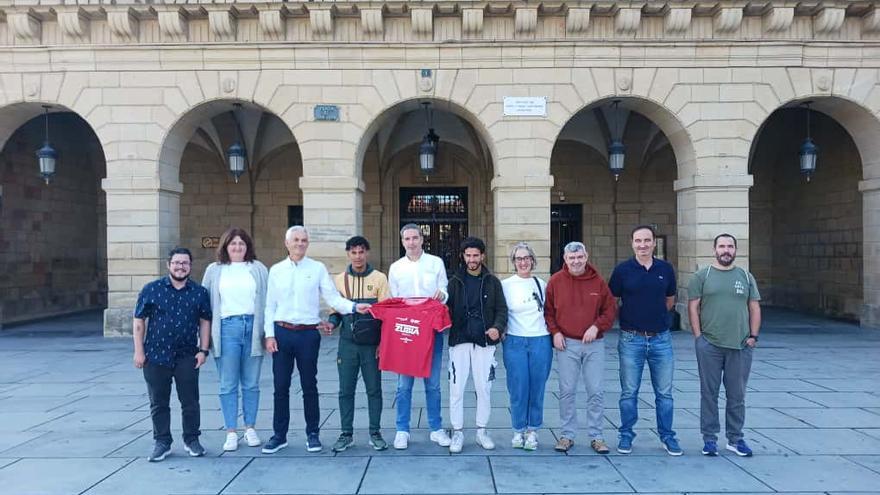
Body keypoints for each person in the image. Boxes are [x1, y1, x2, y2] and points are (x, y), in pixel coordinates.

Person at [261, 226, 370, 454]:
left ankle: (313, 434)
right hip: (282, 332)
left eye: (304, 240)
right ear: (287, 243)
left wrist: (353, 307)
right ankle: (279, 435)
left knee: (309, 385)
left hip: (308, 334)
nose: (300, 244)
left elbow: (332, 297)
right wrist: (269, 334)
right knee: (281, 386)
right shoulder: (276, 270)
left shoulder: (317, 268)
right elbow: (269, 305)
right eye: (296, 240)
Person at [132, 247, 211, 462]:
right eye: (176, 263)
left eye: (185, 263)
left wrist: (203, 350)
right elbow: (139, 321)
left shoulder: (199, 292)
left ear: (190, 266)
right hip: (155, 356)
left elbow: (205, 322)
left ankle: (192, 440)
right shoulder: (151, 289)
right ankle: (162, 442)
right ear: (169, 265)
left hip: (187, 355)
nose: (180, 266)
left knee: (190, 401)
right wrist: (139, 351)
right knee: (158, 402)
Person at [608, 225, 682, 456]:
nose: (643, 245)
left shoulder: (665, 269)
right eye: (638, 241)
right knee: (629, 392)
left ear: (653, 243)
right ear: (632, 243)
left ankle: (668, 436)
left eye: (647, 240)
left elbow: (669, 300)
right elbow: (612, 300)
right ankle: (626, 435)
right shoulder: (622, 270)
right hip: (631, 339)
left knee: (665, 393)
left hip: (661, 339)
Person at [688, 233, 761, 458]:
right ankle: (709, 439)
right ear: (714, 250)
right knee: (708, 394)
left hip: (740, 346)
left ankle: (735, 439)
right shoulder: (703, 276)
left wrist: (753, 337)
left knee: (737, 395)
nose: (726, 250)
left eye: (730, 246)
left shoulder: (746, 277)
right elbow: (693, 307)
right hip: (710, 344)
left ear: (735, 250)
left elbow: (754, 307)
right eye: (722, 246)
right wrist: (699, 337)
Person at [544, 241, 617, 454]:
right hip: (567, 343)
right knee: (567, 391)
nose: (576, 261)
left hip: (594, 344)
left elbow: (610, 311)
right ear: (565, 260)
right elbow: (548, 311)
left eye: (579, 257)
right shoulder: (556, 281)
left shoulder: (599, 282)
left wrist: (596, 327)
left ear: (586, 257)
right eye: (571, 258)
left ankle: (597, 436)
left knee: (595, 390)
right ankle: (567, 435)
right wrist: (555, 332)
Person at [201, 227, 269, 452]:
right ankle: (231, 430)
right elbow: (205, 306)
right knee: (228, 383)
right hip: (226, 328)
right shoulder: (214, 270)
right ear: (225, 246)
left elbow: (268, 302)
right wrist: (203, 340)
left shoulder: (258, 269)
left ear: (247, 246)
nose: (237, 247)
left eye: (241, 243)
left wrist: (268, 333)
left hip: (253, 327)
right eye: (233, 243)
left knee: (251, 383)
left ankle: (250, 427)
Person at [387, 223, 452, 450]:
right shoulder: (396, 267)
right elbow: (393, 297)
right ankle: (402, 430)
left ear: (422, 239)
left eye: (415, 238)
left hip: (431, 329)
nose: (412, 242)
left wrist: (441, 294)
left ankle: (436, 428)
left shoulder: (436, 263)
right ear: (402, 241)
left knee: (433, 383)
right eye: (407, 239)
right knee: (403, 385)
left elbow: (444, 289)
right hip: (407, 331)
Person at [328, 236, 391, 452]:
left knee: (374, 389)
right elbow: (336, 311)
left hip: (371, 345)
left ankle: (375, 432)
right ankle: (346, 434)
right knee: (346, 390)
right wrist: (330, 324)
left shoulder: (380, 278)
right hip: (347, 344)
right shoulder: (339, 280)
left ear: (367, 253)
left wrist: (383, 344)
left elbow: (386, 315)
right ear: (348, 254)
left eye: (361, 251)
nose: (357, 256)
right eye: (353, 252)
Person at [445, 236, 508, 453]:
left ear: (482, 256)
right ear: (463, 256)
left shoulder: (492, 281)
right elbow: (445, 310)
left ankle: (481, 431)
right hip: (460, 341)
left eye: (475, 255)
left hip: (484, 341)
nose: (472, 259)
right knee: (456, 389)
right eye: (468, 255)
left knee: (484, 388)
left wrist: (497, 328)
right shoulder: (453, 281)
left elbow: (502, 309)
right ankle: (458, 432)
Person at [501, 242, 552, 451]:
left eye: (526, 258)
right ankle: (518, 429)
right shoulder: (505, 285)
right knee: (518, 387)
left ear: (532, 260)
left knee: (537, 387)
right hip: (515, 341)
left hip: (540, 339)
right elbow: (500, 311)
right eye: (519, 259)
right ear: (513, 262)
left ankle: (533, 430)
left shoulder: (542, 283)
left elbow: (549, 311)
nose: (523, 262)